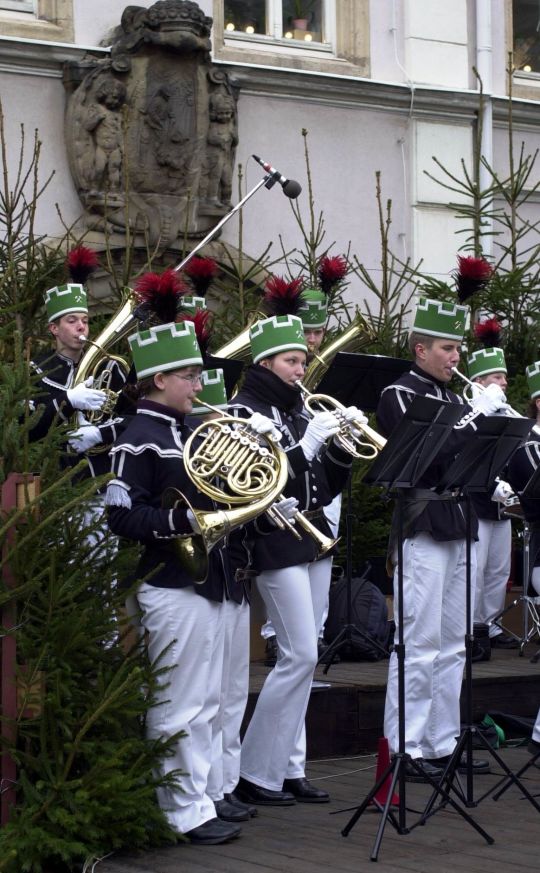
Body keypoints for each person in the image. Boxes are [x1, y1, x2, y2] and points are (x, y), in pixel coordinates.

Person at [105, 322, 276, 844]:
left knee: (206, 701)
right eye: (189, 376)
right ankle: (179, 810)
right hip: (172, 581)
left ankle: (199, 798)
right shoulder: (140, 438)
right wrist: (188, 524)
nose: (199, 386)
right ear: (158, 379)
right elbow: (122, 517)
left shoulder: (191, 432)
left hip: (214, 579)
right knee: (180, 702)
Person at [229, 313, 362, 805]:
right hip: (273, 541)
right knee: (300, 653)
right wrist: (305, 448)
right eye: (291, 360)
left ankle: (289, 766)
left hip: (311, 535)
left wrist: (341, 448)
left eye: (303, 360)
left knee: (306, 657)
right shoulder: (242, 411)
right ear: (265, 362)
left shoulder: (300, 410)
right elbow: (259, 485)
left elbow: (323, 488)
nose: (301, 369)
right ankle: (256, 771)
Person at [376, 298, 506, 781]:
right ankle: (403, 748)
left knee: (454, 642)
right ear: (420, 349)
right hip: (423, 523)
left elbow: (469, 460)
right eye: (448, 348)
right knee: (419, 641)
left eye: (458, 348)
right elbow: (429, 455)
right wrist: (476, 419)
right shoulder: (400, 393)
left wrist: (494, 432)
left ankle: (440, 740)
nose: (456, 358)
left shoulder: (456, 397)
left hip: (461, 520)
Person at [466, 346, 518, 651]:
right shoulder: (473, 411)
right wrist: (490, 486)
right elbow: (469, 457)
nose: (505, 382)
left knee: (499, 569)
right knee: (476, 567)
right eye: (499, 376)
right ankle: (474, 627)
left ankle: (493, 625)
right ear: (481, 382)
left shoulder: (507, 411)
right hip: (478, 501)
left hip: (504, 505)